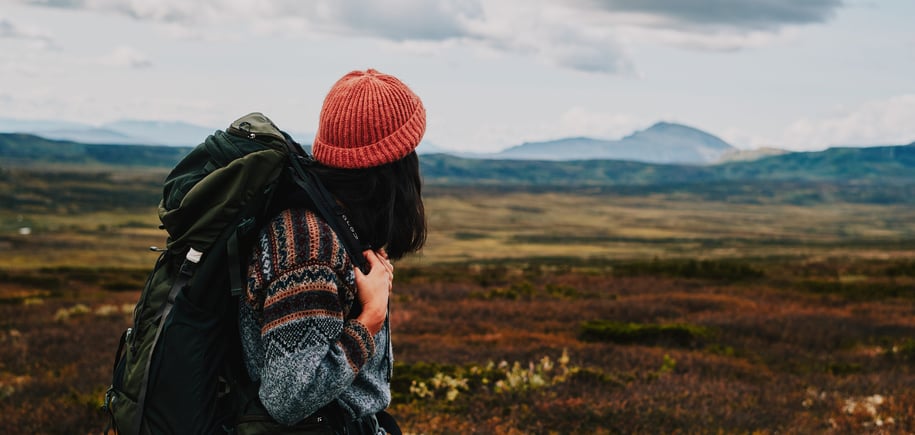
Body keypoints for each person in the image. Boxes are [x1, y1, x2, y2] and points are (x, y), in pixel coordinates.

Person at [237, 69, 427, 434]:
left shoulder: (335, 225)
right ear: (391, 165)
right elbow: (287, 397)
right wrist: (370, 318)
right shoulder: (309, 248)